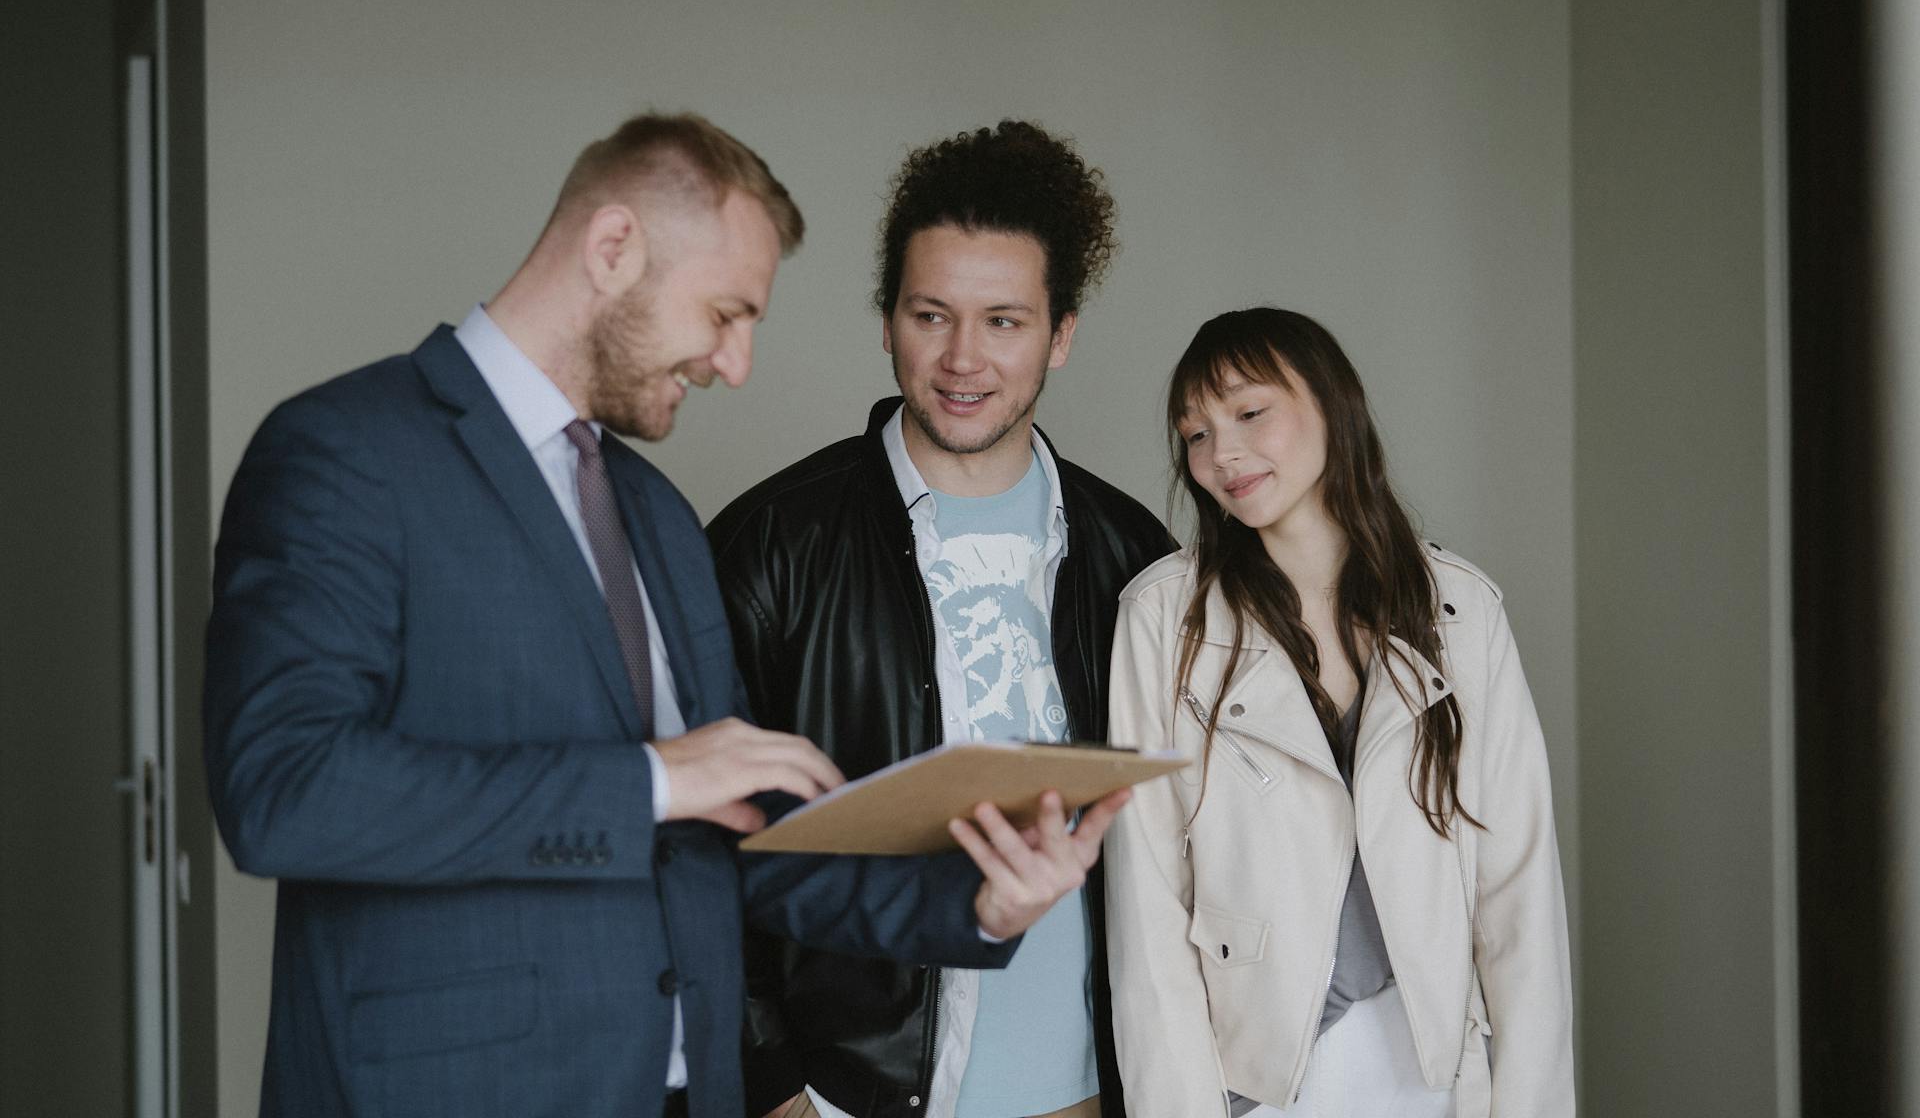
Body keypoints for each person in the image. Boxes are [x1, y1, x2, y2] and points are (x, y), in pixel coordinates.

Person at [203, 112, 1123, 1118]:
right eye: (727, 312)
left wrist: (976, 907)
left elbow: (735, 835)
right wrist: (649, 777)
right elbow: (280, 790)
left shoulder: (656, 513)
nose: (737, 364)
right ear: (614, 249)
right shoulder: (345, 453)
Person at [708, 120, 1175, 1118]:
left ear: (1062, 332)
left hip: (1087, 1091)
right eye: (932, 314)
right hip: (843, 1097)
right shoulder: (768, 544)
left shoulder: (1134, 554)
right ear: (887, 319)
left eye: (1004, 320)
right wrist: (773, 1082)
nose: (964, 358)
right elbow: (701, 854)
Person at [1102, 309, 1574, 1117]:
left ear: (1333, 405)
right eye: (1196, 435)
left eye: (1250, 413)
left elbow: (1519, 893)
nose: (1223, 455)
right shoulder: (1163, 618)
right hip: (1255, 1082)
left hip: (1437, 1073)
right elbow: (1146, 911)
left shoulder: (1460, 607)